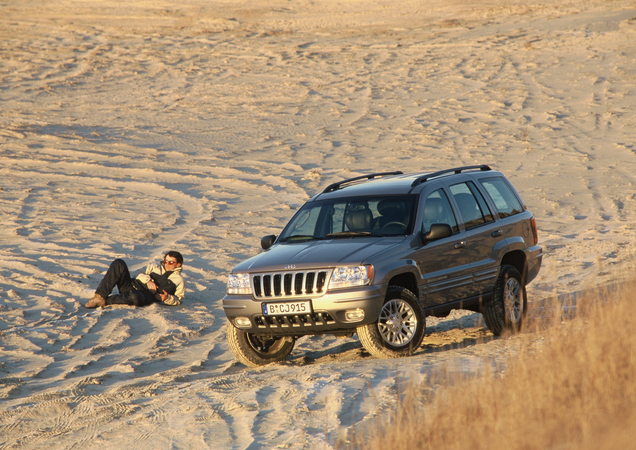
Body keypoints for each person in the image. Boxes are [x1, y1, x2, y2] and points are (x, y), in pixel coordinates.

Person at [85, 251, 185, 308]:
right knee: (119, 263)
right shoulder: (154, 267)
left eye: (171, 262)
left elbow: (178, 300)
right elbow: (137, 273)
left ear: (178, 264)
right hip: (130, 285)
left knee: (135, 297)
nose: (167, 264)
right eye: (166, 261)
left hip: (143, 295)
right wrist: (148, 280)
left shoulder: (179, 280)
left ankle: (106, 301)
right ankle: (99, 296)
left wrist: (167, 298)